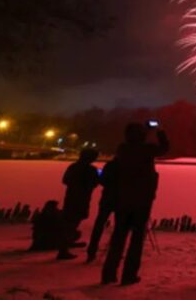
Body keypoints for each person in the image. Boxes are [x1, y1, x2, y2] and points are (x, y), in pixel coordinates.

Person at [101, 122, 169, 286]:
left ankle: (108, 273)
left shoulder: (123, 149)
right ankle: (129, 274)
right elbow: (164, 148)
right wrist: (160, 132)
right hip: (141, 202)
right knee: (136, 240)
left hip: (123, 201)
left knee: (118, 238)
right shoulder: (146, 150)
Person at [57, 148, 100, 260]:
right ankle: (64, 248)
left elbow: (65, 180)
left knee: (69, 222)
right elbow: (95, 183)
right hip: (81, 199)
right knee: (73, 223)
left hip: (71, 197)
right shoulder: (90, 170)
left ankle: (65, 244)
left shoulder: (73, 167)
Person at [86, 158, 119, 263]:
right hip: (120, 198)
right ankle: (114, 253)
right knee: (119, 227)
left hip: (107, 197)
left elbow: (103, 180)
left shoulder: (110, 165)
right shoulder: (129, 165)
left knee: (99, 224)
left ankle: (91, 251)